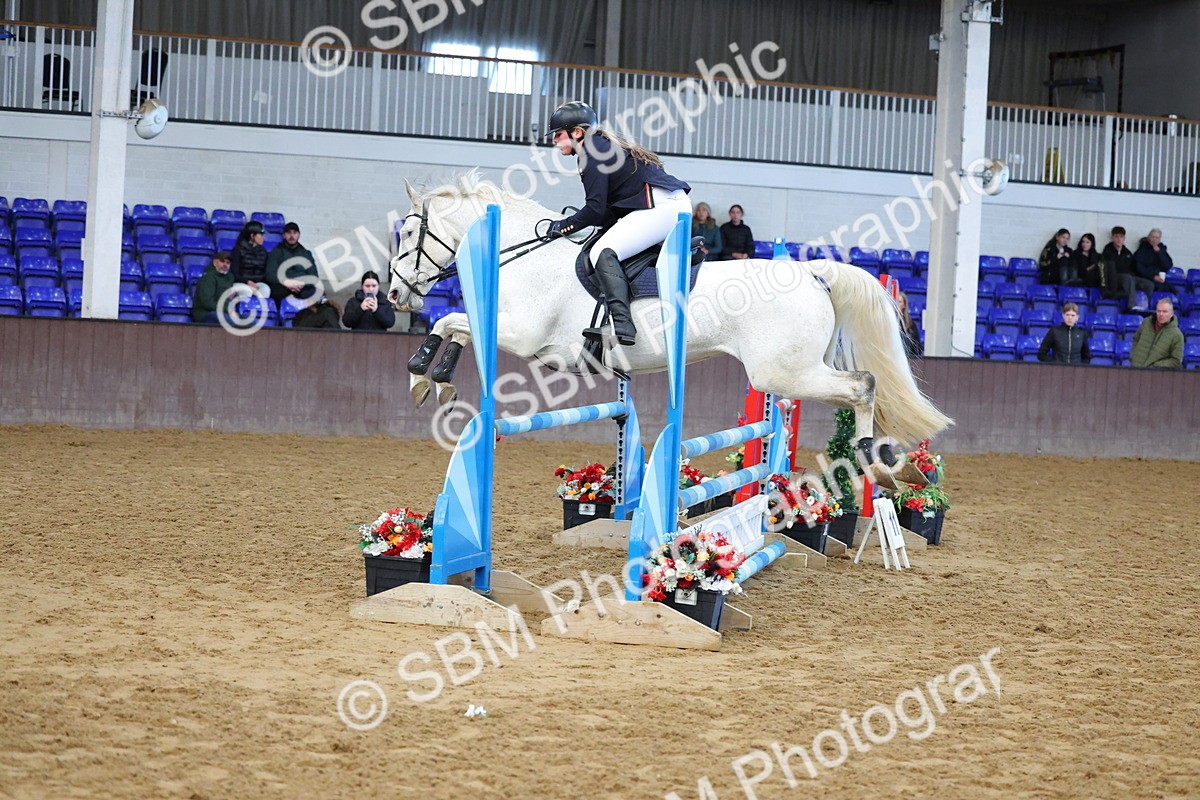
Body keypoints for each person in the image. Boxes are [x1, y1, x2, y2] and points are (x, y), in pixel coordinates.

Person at [544, 101, 691, 346]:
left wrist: (563, 226)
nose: (554, 140)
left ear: (577, 132)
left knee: (603, 251)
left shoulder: (591, 152)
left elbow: (594, 209)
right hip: (665, 205)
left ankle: (622, 325)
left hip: (662, 208)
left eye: (558, 134)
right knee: (603, 244)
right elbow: (606, 213)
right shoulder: (598, 146)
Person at [265, 221, 319, 304]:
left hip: (302, 286)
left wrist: (301, 284)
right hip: (282, 286)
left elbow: (314, 276)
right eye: (289, 233)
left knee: (316, 294)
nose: (292, 236)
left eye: (294, 233)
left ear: (299, 235)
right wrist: (287, 283)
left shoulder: (306, 253)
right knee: (276, 292)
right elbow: (270, 274)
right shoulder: (275, 252)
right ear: (284, 235)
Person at [1102, 226, 1149, 310]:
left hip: (1129, 277)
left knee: (1149, 284)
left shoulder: (1127, 252)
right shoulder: (1107, 250)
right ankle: (1131, 305)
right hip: (1116, 277)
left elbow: (1132, 267)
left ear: (1124, 238)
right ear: (1112, 237)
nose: (1119, 239)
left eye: (1121, 237)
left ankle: (1145, 306)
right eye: (1116, 237)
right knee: (1128, 278)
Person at [1130, 297, 1184, 369]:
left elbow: (1176, 361)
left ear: (1171, 314)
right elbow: (1136, 339)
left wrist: (1156, 366)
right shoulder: (1146, 322)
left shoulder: (1177, 335)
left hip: (1157, 376)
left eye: (1165, 312)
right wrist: (1134, 357)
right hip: (1136, 370)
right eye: (1159, 311)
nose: (1161, 314)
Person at [191, 251, 235, 324]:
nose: (225, 265)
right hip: (205, 313)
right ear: (215, 262)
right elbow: (207, 302)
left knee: (251, 322)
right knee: (233, 322)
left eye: (228, 263)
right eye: (222, 261)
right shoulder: (208, 277)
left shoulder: (230, 278)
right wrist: (228, 310)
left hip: (223, 312)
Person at [1133, 228, 1179, 295]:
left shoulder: (1162, 250)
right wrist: (1153, 276)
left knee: (1173, 290)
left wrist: (1159, 253)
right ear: (1148, 238)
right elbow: (1139, 268)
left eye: (1157, 238)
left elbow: (1168, 265)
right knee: (1159, 288)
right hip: (1145, 278)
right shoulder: (1142, 251)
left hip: (1159, 278)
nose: (1154, 240)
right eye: (1153, 237)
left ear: (1159, 240)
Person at [230, 220, 268, 291]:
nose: (263, 238)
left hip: (258, 283)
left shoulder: (263, 251)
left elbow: (265, 272)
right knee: (246, 291)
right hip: (241, 282)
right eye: (261, 235)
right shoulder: (237, 250)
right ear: (252, 235)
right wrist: (247, 281)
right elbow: (234, 273)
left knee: (265, 290)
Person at [897, 292, 922, 359]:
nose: (896, 304)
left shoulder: (911, 325)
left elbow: (917, 348)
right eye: (895, 300)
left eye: (899, 302)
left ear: (904, 305)